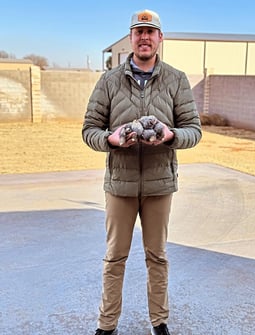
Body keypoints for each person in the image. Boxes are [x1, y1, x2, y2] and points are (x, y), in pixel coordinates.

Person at [82, 9, 202, 335]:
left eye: (151, 31)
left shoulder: (176, 79)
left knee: (157, 258)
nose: (145, 37)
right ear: (131, 37)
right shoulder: (108, 81)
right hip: (120, 184)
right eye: (139, 31)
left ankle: (159, 322)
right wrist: (110, 139)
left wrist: (171, 135)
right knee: (114, 258)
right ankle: (106, 326)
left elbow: (194, 130)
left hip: (159, 184)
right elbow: (89, 130)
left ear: (160, 38)